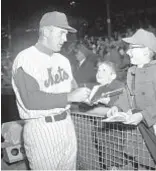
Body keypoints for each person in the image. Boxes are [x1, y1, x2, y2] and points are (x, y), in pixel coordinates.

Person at [12, 11, 91, 170]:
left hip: (66, 124)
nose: (65, 38)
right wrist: (70, 96)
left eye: (66, 34)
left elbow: (73, 88)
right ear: (46, 31)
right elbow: (30, 100)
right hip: (42, 128)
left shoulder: (62, 60)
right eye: (62, 33)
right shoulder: (25, 58)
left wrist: (91, 95)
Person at [108, 28, 156, 169]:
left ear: (146, 51)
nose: (128, 52)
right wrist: (117, 107)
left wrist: (142, 115)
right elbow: (128, 94)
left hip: (151, 122)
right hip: (142, 127)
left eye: (132, 48)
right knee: (144, 160)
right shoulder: (132, 71)